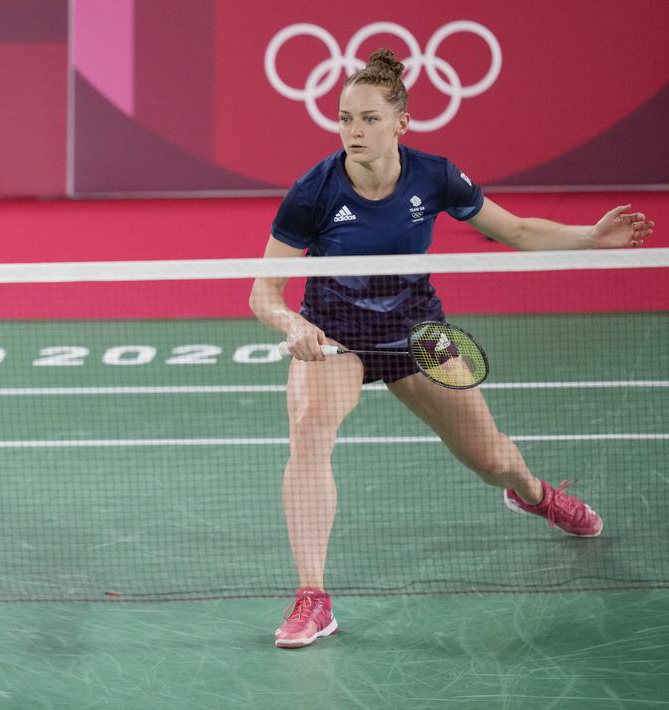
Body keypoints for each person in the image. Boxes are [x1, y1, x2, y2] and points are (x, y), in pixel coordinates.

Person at [248, 49, 654, 649]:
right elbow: (263, 292)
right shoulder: (314, 191)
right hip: (335, 337)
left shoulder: (434, 176)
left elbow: (516, 230)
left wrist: (589, 238)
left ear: (401, 123)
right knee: (309, 432)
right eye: (345, 118)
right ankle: (313, 596)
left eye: (369, 119)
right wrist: (292, 325)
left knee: (492, 459)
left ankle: (535, 494)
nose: (354, 131)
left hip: (417, 334)